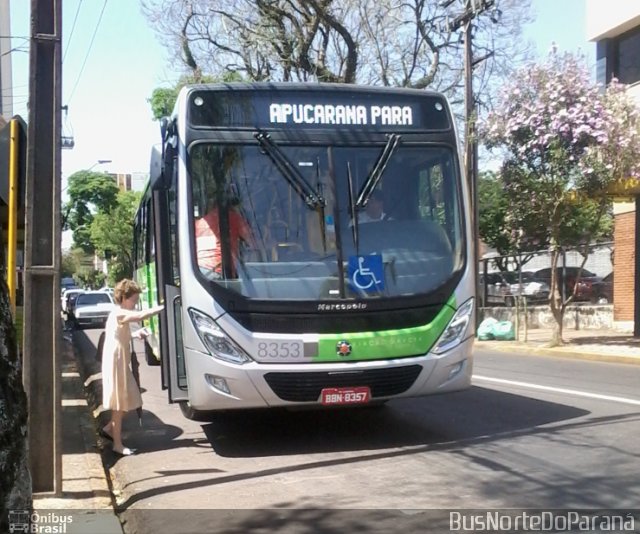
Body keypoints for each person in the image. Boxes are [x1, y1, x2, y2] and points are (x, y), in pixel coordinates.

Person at [101, 279, 163, 456]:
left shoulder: (119, 314)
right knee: (120, 403)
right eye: (134, 300)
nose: (135, 304)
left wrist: (137, 334)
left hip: (119, 361)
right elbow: (140, 316)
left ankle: (109, 429)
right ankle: (117, 444)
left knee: (129, 399)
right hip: (116, 362)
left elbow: (121, 335)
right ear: (124, 297)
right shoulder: (119, 313)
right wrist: (162, 306)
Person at [195, 199, 253, 278]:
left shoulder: (200, 222)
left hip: (199, 271)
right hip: (218, 273)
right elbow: (253, 242)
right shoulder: (233, 217)